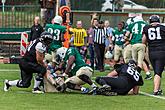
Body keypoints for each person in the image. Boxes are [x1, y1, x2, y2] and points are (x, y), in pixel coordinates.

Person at [142, 15, 165, 95]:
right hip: (161, 51)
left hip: (151, 52)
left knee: (156, 71)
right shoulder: (163, 28)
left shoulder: (146, 28)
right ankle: (155, 90)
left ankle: (158, 89)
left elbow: (143, 41)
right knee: (158, 72)